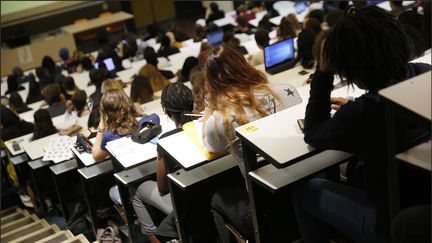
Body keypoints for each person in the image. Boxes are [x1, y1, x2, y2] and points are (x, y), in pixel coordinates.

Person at [292, 6, 431, 243]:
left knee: (304, 189)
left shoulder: (364, 113)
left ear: (349, 67)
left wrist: (323, 73)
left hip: (392, 224)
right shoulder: (425, 74)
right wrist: (357, 102)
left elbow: (313, 132)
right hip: (424, 207)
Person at [202, 45, 300, 242]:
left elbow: (209, 146)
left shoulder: (221, 119)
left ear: (212, 82)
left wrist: (210, 108)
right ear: (243, 65)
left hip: (266, 205)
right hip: (303, 186)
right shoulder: (287, 90)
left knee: (216, 198)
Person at [132, 82, 195, 243]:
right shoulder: (205, 125)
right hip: (208, 194)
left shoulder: (167, 141)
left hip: (186, 206)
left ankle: (156, 237)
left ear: (166, 111)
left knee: (136, 191)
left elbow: (162, 187)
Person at [91, 89, 160, 162]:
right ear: (129, 102)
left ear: (106, 113)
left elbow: (96, 156)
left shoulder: (110, 137)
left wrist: (101, 127)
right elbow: (145, 127)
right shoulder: (153, 119)